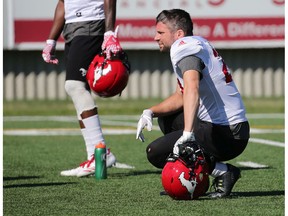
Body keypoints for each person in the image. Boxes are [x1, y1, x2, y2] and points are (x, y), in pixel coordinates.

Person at [136, 9, 250, 198]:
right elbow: (181, 96)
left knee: (155, 153)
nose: (156, 37)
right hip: (226, 128)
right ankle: (199, 163)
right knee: (167, 119)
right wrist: (150, 112)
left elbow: (192, 89)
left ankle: (222, 171)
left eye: (161, 32)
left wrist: (188, 135)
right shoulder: (195, 42)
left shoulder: (183, 46)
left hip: (227, 134)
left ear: (179, 34)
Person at [42, 0, 122, 177]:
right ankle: (93, 156)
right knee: (79, 88)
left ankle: (101, 152)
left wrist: (109, 32)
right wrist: (51, 39)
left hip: (91, 23)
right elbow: (63, 3)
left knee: (74, 86)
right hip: (71, 28)